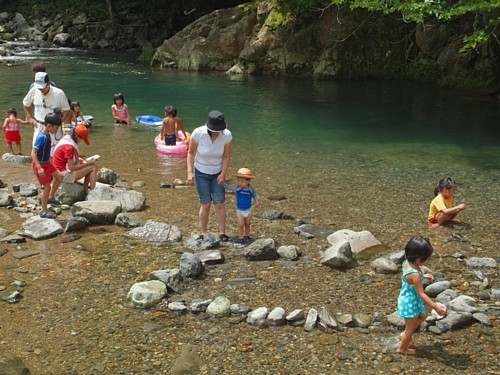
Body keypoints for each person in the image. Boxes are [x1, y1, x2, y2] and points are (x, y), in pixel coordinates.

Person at [187, 110, 232, 241]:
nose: (217, 131)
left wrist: (223, 174)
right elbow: (190, 153)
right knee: (205, 204)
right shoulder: (198, 133)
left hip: (217, 172)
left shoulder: (227, 135)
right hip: (201, 172)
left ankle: (222, 233)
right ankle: (204, 232)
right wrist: (190, 172)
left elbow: (226, 156)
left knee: (219, 203)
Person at [397, 236, 447, 355]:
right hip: (410, 301)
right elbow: (421, 293)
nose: (427, 261)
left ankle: (405, 335)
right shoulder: (415, 275)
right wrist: (435, 307)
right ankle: (402, 348)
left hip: (408, 297)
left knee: (424, 314)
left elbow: (410, 278)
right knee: (409, 329)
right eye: (426, 259)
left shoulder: (407, 262)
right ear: (419, 258)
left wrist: (423, 276)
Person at [23, 72, 71, 156]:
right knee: (37, 151)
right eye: (39, 88)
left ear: (48, 83)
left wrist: (60, 121)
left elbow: (66, 109)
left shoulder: (59, 93)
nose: (41, 90)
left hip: (54, 128)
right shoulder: (34, 90)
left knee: (54, 153)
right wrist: (29, 117)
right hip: (39, 126)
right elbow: (26, 103)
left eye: (43, 88)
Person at [30, 113, 63, 219]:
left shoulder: (48, 135)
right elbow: (33, 153)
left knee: (59, 176)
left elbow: (44, 149)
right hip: (40, 165)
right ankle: (43, 210)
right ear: (49, 126)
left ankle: (50, 197)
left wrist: (50, 145)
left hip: (47, 163)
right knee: (47, 186)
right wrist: (39, 168)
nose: (57, 130)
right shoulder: (41, 137)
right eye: (56, 128)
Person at [53, 124, 97, 193]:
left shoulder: (66, 138)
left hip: (58, 171)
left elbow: (67, 159)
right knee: (93, 167)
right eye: (82, 139)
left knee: (88, 166)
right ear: (77, 136)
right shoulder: (69, 147)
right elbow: (72, 167)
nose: (81, 141)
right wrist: (88, 163)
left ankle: (85, 190)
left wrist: (84, 162)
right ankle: (93, 192)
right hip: (62, 174)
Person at [223, 167, 260, 244]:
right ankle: (240, 237)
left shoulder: (251, 188)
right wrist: (222, 182)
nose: (240, 183)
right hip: (239, 210)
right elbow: (229, 187)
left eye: (242, 181)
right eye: (238, 181)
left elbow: (254, 194)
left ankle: (247, 235)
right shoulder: (237, 187)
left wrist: (257, 201)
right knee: (240, 224)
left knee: (247, 223)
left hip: (248, 209)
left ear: (249, 181)